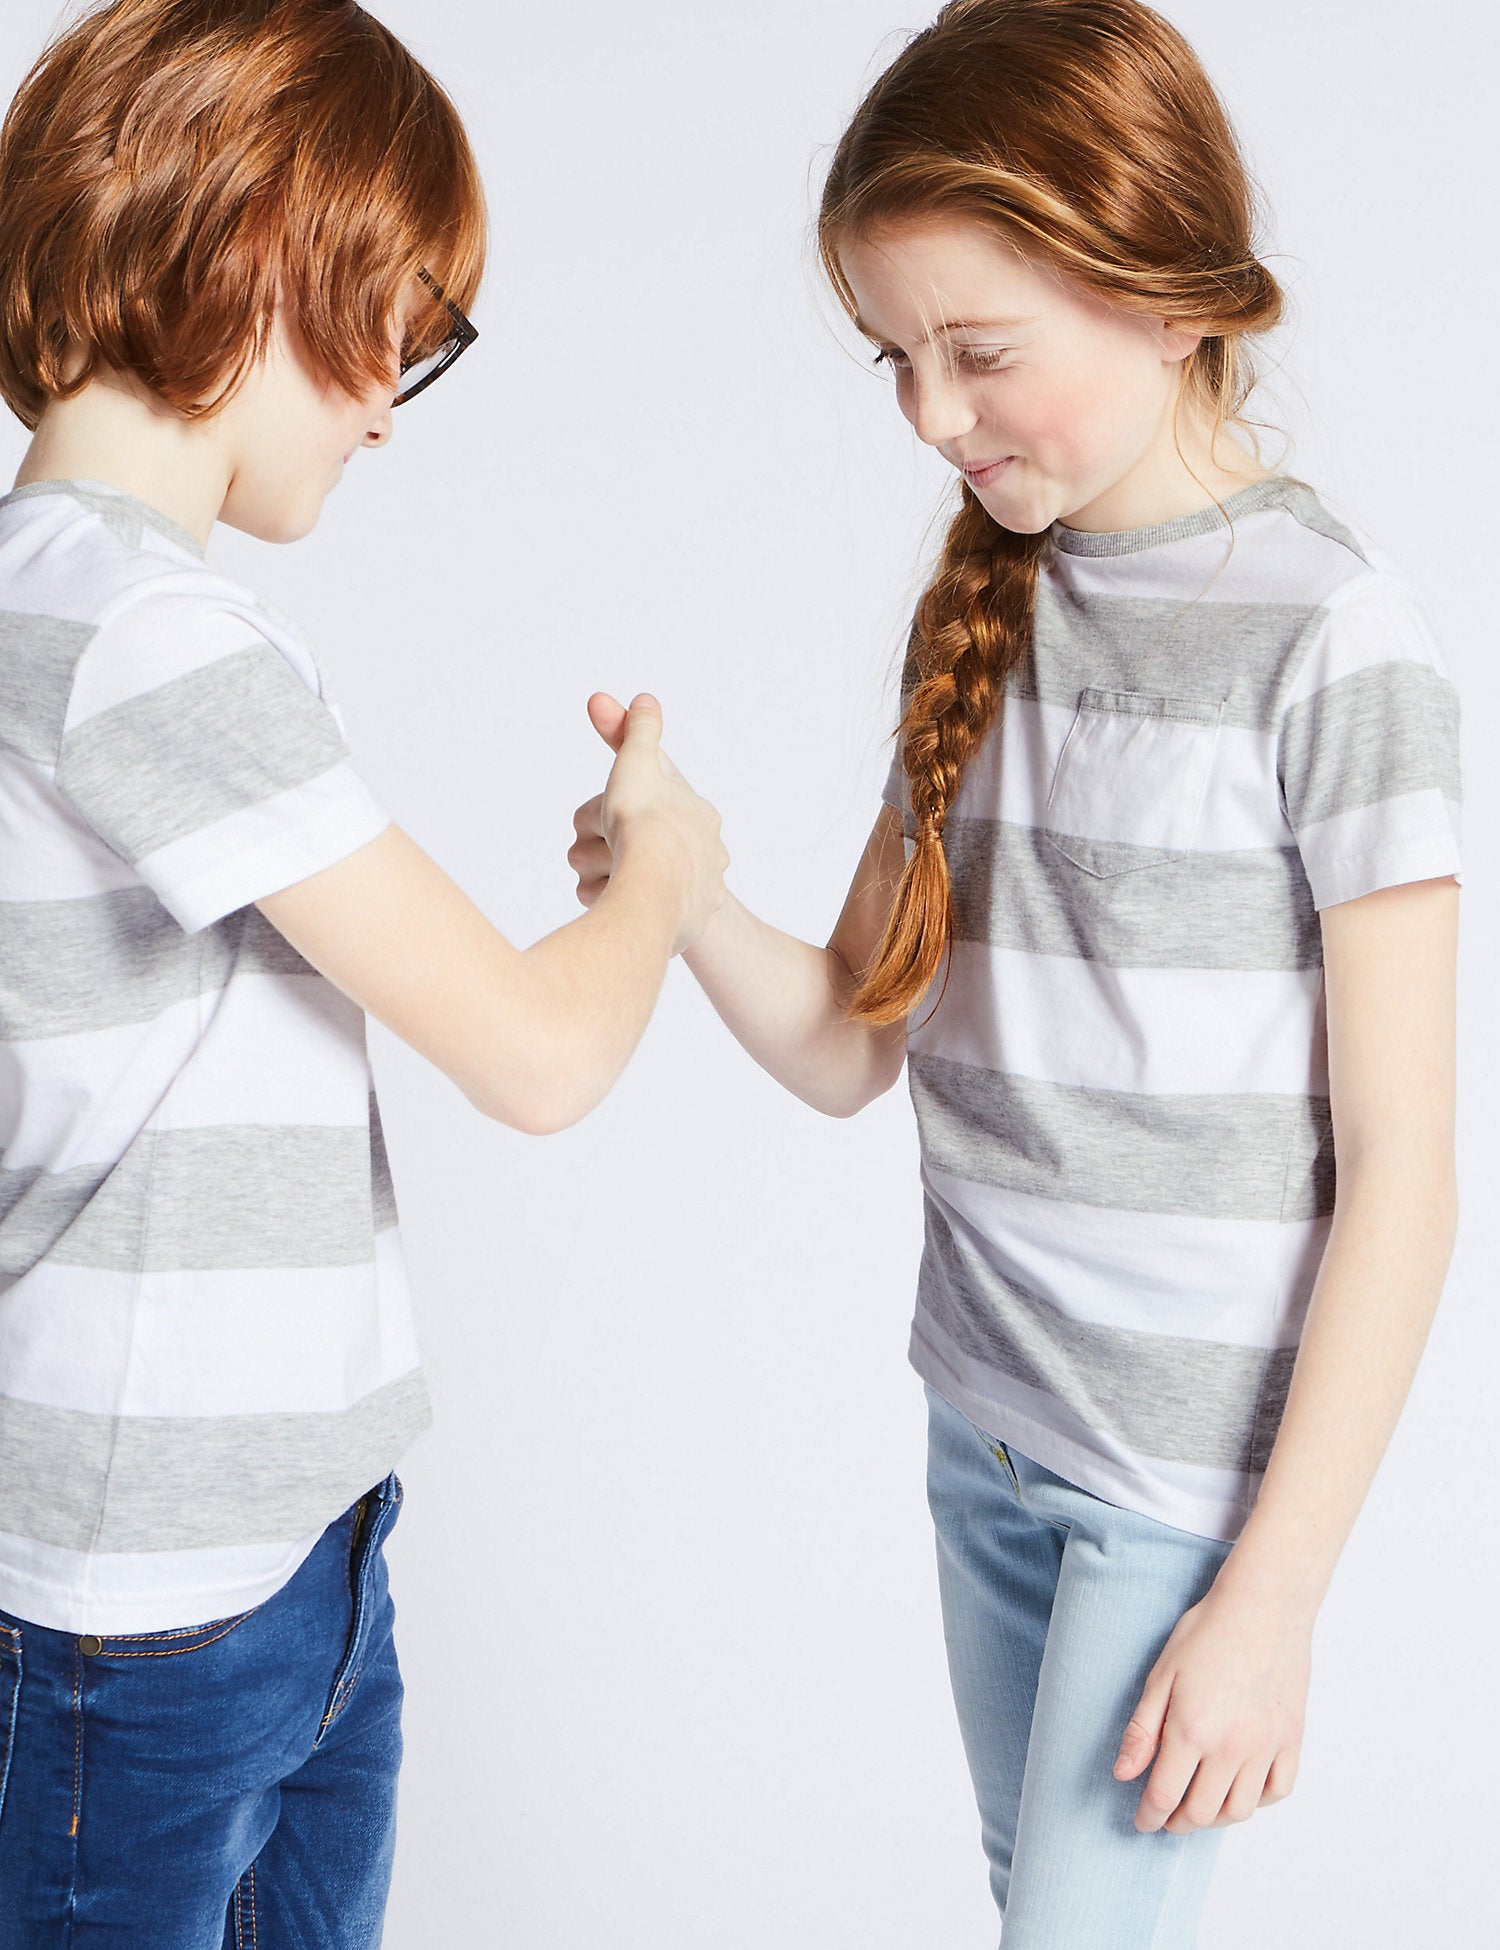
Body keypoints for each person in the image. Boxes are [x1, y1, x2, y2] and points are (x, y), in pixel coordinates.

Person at [571, 1, 1462, 1942]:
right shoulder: (976, 620)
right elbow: (843, 1044)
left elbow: (1404, 1168)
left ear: (1166, 291)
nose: (930, 416)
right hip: (980, 1412)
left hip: (1173, 1478)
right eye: (895, 357)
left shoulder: (1335, 643)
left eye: (978, 353)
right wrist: (684, 884)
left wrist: (1275, 1595)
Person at [0, 1, 726, 1943]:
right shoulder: (147, 638)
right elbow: (541, 1053)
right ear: (255, 257)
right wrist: (664, 874)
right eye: (397, 328)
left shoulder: (57, 615)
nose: (395, 404)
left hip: (282, 1555)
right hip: (145, 1622)